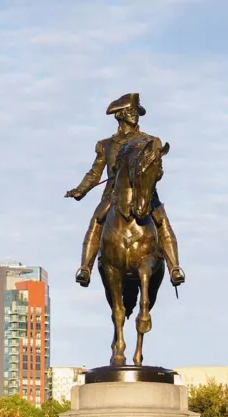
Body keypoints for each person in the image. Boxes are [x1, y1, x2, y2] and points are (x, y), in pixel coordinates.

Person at [65, 92, 185, 288]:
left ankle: (175, 268)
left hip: (144, 194)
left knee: (162, 220)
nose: (134, 115)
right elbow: (95, 173)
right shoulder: (106, 145)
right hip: (114, 196)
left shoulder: (151, 141)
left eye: (136, 111)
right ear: (119, 115)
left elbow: (157, 171)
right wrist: (80, 190)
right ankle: (85, 268)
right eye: (130, 111)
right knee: (97, 219)